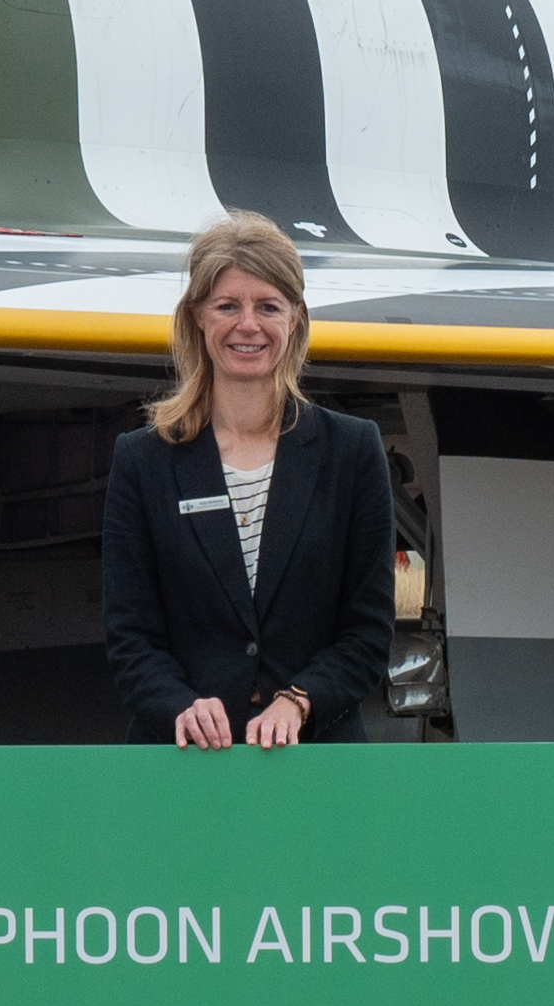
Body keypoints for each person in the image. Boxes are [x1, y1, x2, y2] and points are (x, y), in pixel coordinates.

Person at [99, 212, 400, 746]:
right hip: (185, 758)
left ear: (296, 318)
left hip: (314, 757)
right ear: (197, 316)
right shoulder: (143, 460)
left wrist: (299, 699)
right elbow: (130, 636)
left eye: (268, 306)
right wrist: (181, 705)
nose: (248, 325)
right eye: (227, 306)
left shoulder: (352, 451)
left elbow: (368, 630)